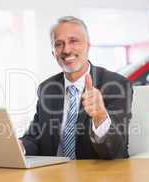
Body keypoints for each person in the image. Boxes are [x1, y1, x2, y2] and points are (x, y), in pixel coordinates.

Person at [19, 16, 133, 160]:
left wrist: (100, 117)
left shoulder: (116, 85)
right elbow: (36, 137)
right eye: (59, 44)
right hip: (53, 176)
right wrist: (20, 146)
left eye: (74, 41)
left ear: (88, 45)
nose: (66, 50)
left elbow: (116, 151)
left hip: (95, 178)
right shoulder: (47, 89)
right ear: (53, 52)